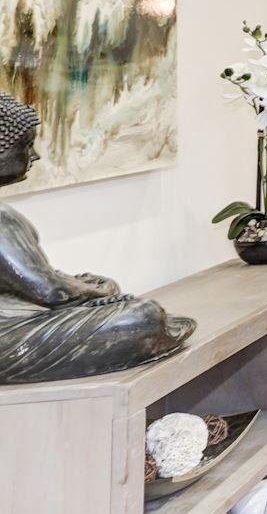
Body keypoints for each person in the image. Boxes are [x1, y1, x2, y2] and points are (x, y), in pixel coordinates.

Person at [0, 92, 192, 382]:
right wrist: (98, 294)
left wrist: (90, 287)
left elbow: (38, 284)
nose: (36, 155)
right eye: (26, 145)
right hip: (10, 340)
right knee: (141, 316)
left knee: (104, 285)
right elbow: (52, 292)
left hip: (20, 314)